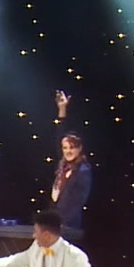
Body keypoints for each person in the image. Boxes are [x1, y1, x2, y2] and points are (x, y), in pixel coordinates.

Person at [50, 91, 93, 237]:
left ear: (80, 149)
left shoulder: (83, 171)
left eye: (72, 148)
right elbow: (60, 136)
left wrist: (62, 224)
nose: (68, 151)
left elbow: (78, 202)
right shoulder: (63, 165)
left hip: (68, 226)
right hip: (54, 222)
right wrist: (62, 109)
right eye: (65, 148)